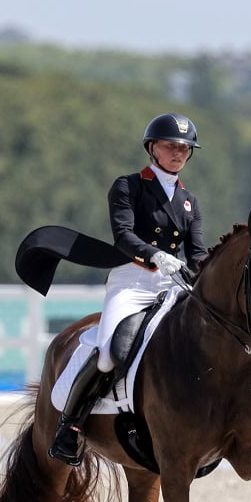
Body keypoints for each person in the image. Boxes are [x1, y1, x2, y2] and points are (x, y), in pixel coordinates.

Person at [48, 112, 207, 466]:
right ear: (152, 148)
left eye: (184, 148)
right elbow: (124, 235)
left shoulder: (189, 202)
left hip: (172, 282)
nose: (178, 153)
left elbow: (196, 252)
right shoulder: (128, 186)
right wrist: (155, 254)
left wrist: (206, 273)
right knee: (109, 352)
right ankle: (70, 427)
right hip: (132, 279)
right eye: (170, 146)